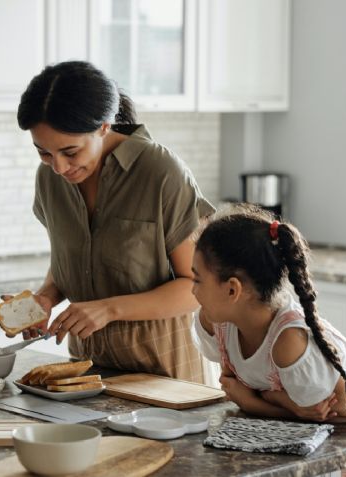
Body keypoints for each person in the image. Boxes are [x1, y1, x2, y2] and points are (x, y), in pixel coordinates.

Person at [14, 60, 215, 382]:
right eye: (44, 153)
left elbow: (197, 287)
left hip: (164, 372)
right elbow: (72, 261)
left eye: (71, 152)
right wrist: (46, 298)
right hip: (86, 371)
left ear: (104, 126)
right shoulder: (49, 179)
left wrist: (108, 309)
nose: (59, 167)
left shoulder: (159, 171)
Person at [191, 205, 346, 426]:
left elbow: (342, 413)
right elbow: (236, 389)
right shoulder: (218, 322)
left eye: (197, 280)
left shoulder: (289, 342)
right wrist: (280, 403)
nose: (192, 290)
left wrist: (258, 401)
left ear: (232, 290)